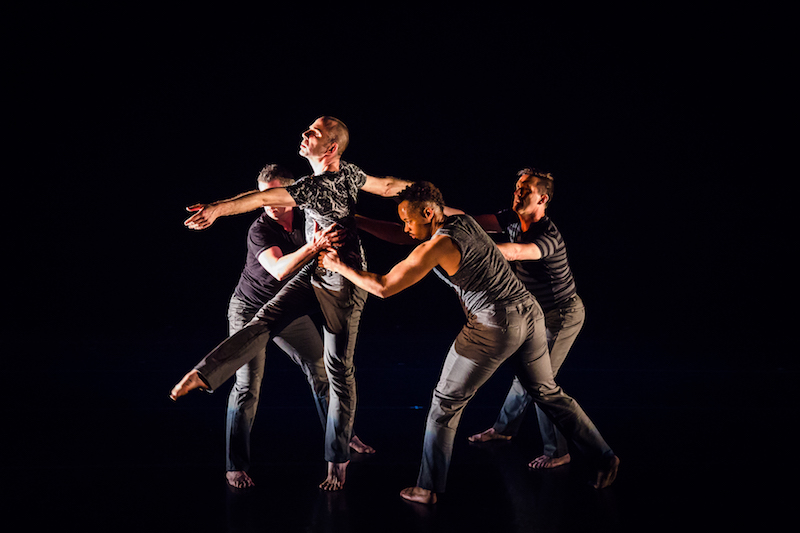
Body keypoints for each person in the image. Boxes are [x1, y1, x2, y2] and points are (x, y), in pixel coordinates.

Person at [320, 181, 619, 504]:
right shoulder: (461, 222)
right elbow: (406, 234)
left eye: (409, 219)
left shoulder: (437, 246)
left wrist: (338, 266)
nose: (405, 227)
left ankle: (427, 487)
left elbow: (383, 287)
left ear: (429, 212)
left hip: (493, 326)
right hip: (530, 313)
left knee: (444, 404)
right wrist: (357, 221)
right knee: (547, 391)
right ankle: (604, 457)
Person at [170, 116, 412, 491]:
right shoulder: (268, 224)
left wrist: (425, 194)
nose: (304, 134)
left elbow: (390, 187)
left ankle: (339, 449)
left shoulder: (318, 187)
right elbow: (270, 231)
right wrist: (219, 207)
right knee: (252, 367)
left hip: (340, 283)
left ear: (330, 148)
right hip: (261, 299)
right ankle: (205, 377)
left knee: (332, 371)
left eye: (312, 133)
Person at [220, 163, 373, 490]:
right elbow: (278, 269)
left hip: (287, 310)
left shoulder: (308, 217)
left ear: (293, 193)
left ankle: (343, 436)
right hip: (250, 311)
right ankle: (235, 465)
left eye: (275, 195)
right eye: (263, 197)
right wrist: (314, 247)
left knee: (321, 372)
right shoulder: (260, 229)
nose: (269, 203)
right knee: (247, 387)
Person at [450, 169, 585, 471]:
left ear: (543, 199)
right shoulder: (510, 219)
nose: (517, 192)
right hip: (537, 311)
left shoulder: (548, 235)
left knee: (542, 384)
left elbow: (513, 252)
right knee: (526, 376)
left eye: (525, 189)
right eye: (517, 187)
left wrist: (466, 252)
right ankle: (504, 429)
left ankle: (557, 451)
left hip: (562, 314)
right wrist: (432, 206)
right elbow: (467, 219)